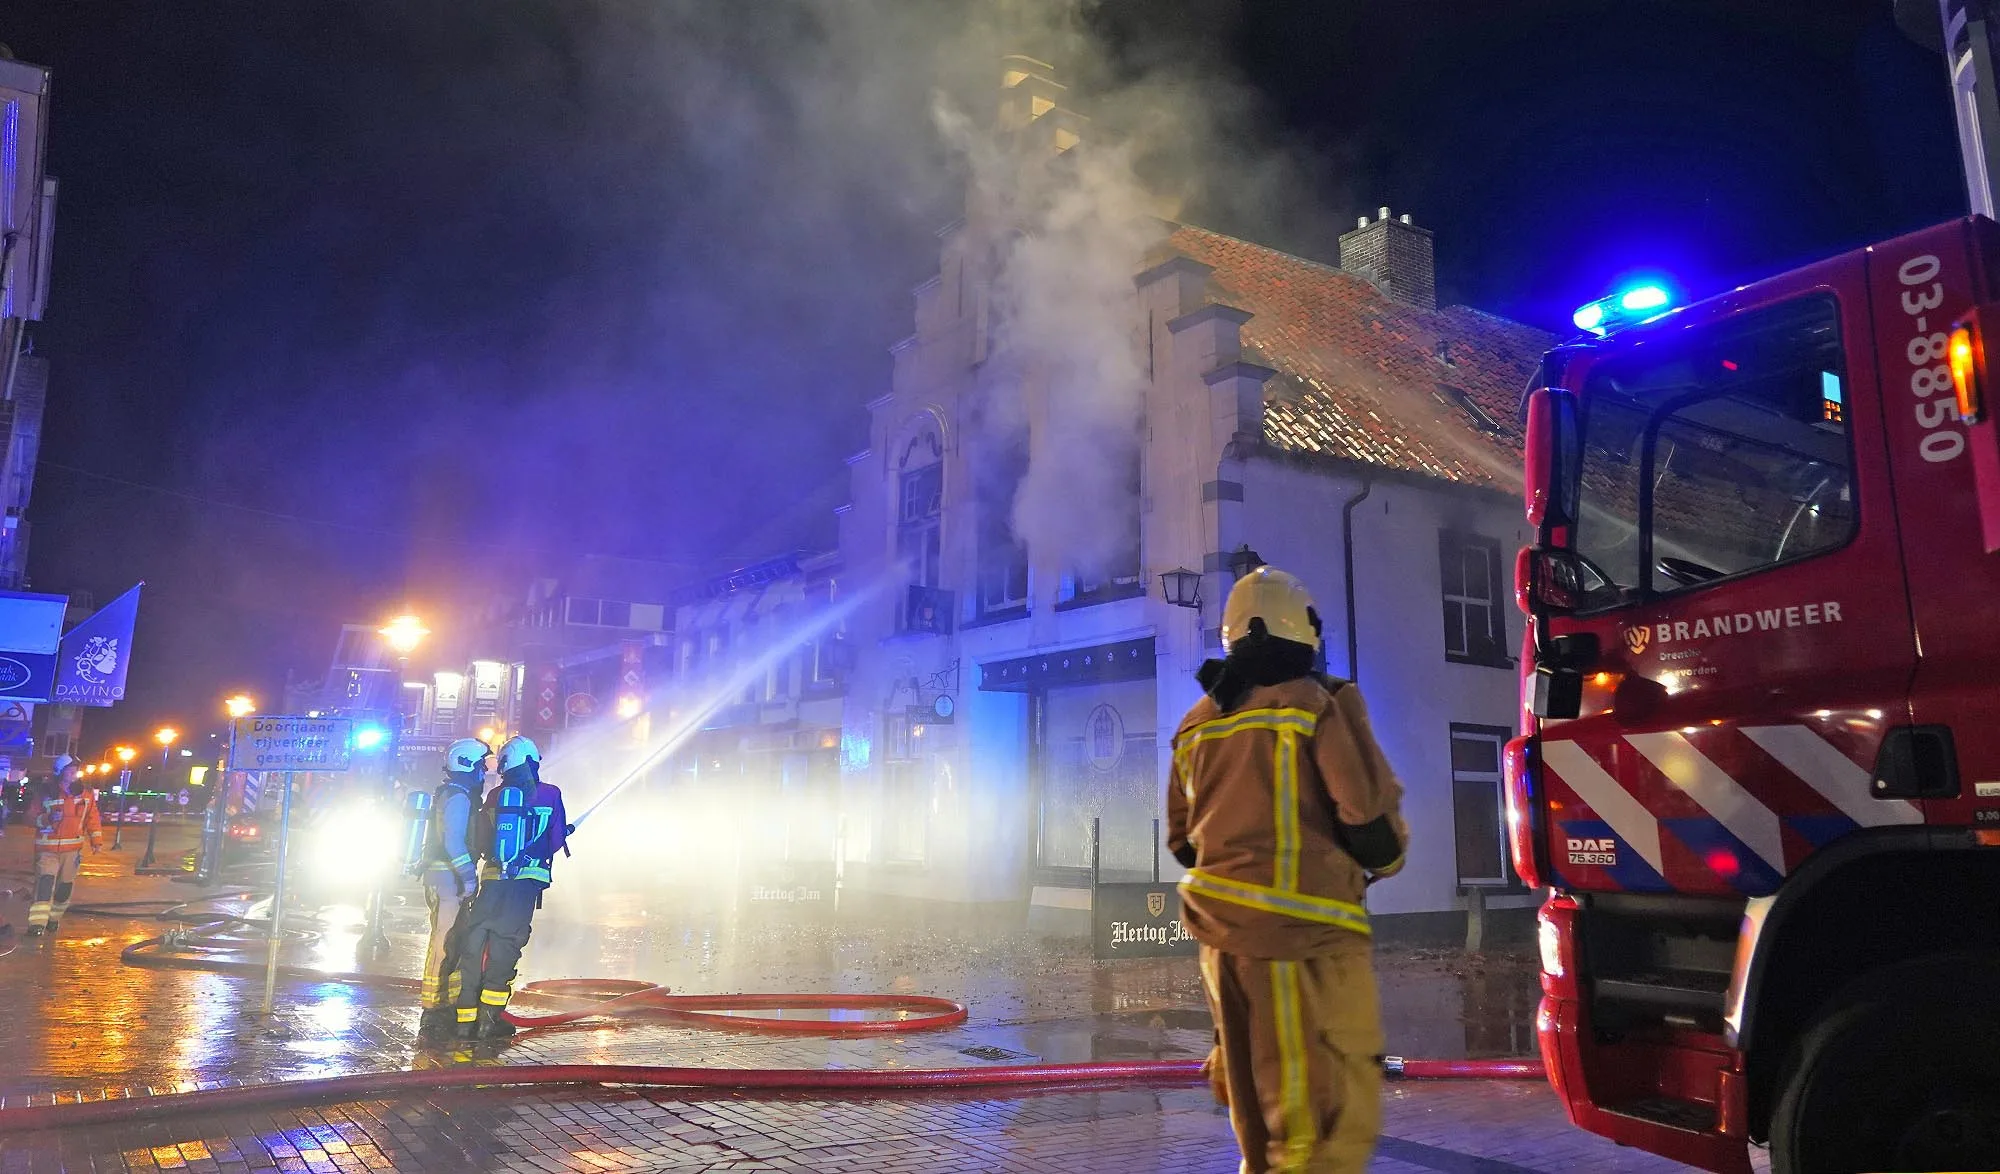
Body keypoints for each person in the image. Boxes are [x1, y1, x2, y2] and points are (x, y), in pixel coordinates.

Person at [1166, 567, 1409, 1174]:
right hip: (1299, 944)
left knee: (1251, 1112)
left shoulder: (1195, 723)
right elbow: (1368, 825)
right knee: (1313, 1122)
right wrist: (1382, 858)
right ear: (1303, 631)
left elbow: (1182, 843)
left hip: (1220, 945)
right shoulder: (1315, 704)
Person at [452, 734, 566, 1040]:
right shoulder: (550, 794)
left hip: (491, 881)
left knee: (476, 944)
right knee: (506, 946)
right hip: (524, 885)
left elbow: (482, 839)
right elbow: (555, 840)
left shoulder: (495, 796)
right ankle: (489, 1022)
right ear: (531, 762)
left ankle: (464, 1021)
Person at [417, 738, 491, 1041]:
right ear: (467, 764)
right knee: (444, 942)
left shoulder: (452, 793)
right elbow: (453, 842)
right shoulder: (459, 797)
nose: (484, 772)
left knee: (452, 940)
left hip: (442, 877)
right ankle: (433, 1011)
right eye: (481, 766)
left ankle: (444, 1005)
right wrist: (468, 878)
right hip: (449, 878)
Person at [27, 757, 104, 937]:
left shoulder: (85, 794)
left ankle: (53, 920)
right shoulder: (45, 792)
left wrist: (96, 841)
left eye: (75, 769)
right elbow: (30, 817)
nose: (74, 773)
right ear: (59, 772)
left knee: (64, 889)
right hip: (47, 850)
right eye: (70, 770)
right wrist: (47, 819)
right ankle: (37, 924)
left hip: (72, 851)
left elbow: (92, 818)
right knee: (44, 885)